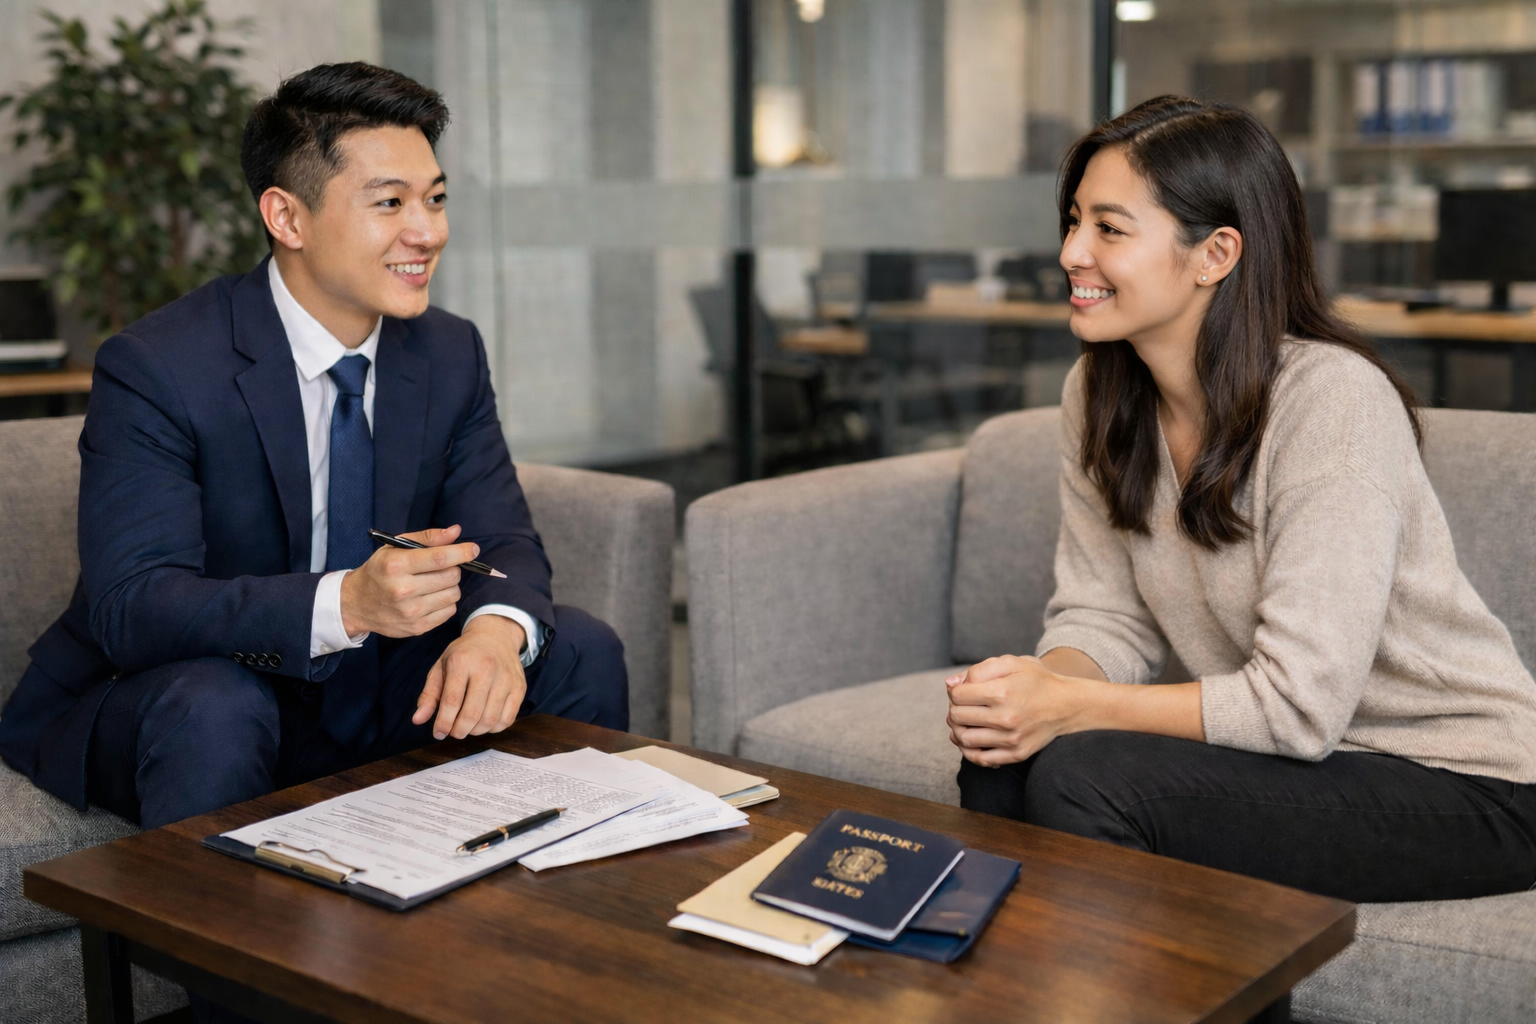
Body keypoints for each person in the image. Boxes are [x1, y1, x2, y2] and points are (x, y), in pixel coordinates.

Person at [0, 63, 629, 837]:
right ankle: (214, 959)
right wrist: (349, 603)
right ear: (287, 218)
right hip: (202, 686)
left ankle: (547, 932)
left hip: (366, 684)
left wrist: (493, 633)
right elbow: (131, 606)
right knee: (215, 707)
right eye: (389, 202)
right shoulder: (158, 365)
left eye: (435, 199)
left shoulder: (447, 351)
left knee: (576, 648)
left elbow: (499, 541)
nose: (426, 231)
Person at [948, 95, 1536, 903]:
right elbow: (1102, 616)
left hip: (1464, 780)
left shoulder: (1332, 403)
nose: (1072, 253)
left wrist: (1075, 707)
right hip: (1303, 759)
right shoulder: (1099, 390)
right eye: (1073, 220)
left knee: (1091, 777)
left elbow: (1300, 706)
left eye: (1109, 229)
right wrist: (1032, 698)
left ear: (1215, 254)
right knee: (1003, 765)